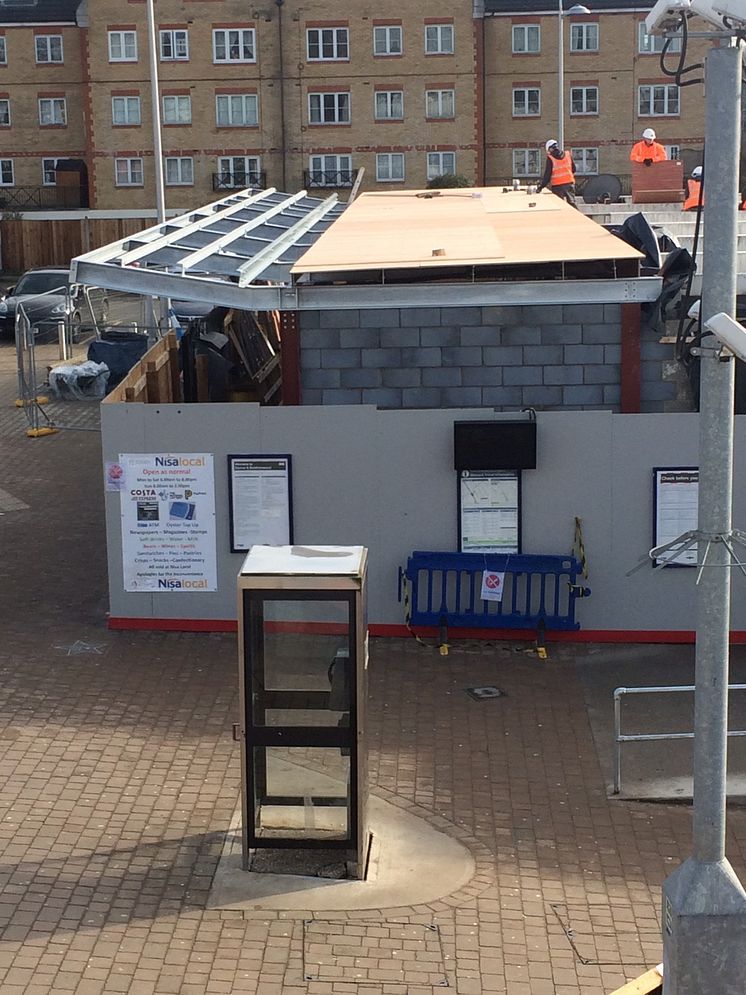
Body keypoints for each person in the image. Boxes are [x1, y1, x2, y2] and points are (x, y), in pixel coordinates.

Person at [536, 140, 577, 205]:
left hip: (557, 186)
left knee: (559, 205)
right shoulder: (567, 154)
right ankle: (577, 215)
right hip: (569, 184)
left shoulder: (550, 158)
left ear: (550, 149)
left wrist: (541, 187)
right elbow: (574, 169)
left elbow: (547, 175)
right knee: (572, 204)